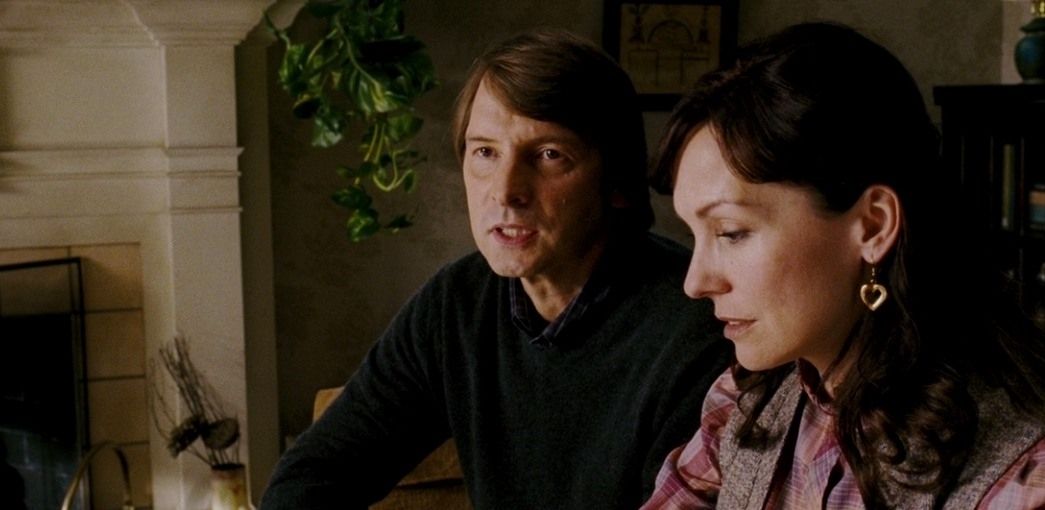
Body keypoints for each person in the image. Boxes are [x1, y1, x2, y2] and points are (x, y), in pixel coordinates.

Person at [260, 27, 732, 509]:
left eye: (549, 155)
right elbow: (315, 474)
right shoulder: (456, 305)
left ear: (618, 182)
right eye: (485, 152)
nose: (505, 190)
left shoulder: (699, 326)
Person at [640, 21, 1045, 509]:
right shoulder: (746, 405)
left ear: (873, 226)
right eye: (695, 236)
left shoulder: (1022, 474)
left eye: (731, 232)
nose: (695, 282)